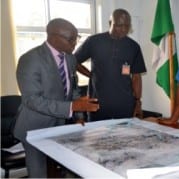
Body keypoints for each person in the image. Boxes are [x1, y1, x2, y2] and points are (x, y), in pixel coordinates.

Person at [14, 18, 100, 178]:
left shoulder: (70, 58)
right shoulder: (30, 59)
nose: (75, 43)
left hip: (59, 125)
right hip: (34, 126)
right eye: (71, 39)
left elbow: (72, 90)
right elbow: (32, 100)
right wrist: (72, 107)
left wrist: (78, 116)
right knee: (39, 172)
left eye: (77, 37)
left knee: (67, 166)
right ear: (53, 37)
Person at [75, 8, 147, 121]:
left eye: (127, 26)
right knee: (97, 137)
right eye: (119, 25)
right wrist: (91, 75)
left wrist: (138, 102)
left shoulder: (133, 47)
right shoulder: (94, 41)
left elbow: (136, 77)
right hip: (97, 105)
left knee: (125, 137)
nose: (123, 29)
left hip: (125, 106)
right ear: (110, 23)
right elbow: (74, 61)